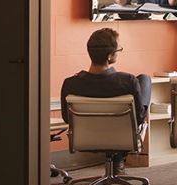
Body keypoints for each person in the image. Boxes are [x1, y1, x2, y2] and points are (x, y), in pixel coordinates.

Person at [60, 28, 151, 175]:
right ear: (109, 56)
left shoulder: (70, 84)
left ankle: (117, 161)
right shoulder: (128, 82)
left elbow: (66, 118)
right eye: (118, 49)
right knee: (145, 79)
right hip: (122, 136)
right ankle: (118, 159)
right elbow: (139, 117)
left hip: (86, 138)